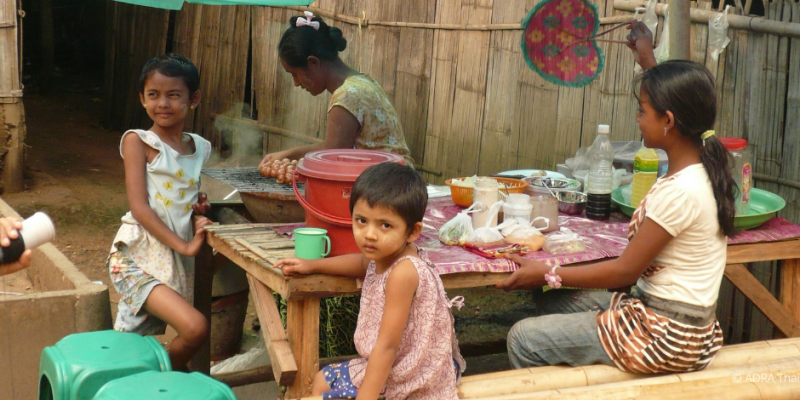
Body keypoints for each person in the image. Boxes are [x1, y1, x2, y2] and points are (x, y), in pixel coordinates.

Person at [496, 35, 738, 373]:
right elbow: (678, 103)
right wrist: (648, 62)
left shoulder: (681, 191)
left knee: (523, 338)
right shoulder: (704, 168)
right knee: (550, 299)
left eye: (642, 111)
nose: (638, 119)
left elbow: (625, 271)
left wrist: (548, 271)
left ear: (668, 121)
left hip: (667, 336)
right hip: (673, 318)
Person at [275, 162, 464, 399]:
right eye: (361, 221)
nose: (370, 234)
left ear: (413, 232)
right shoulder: (386, 254)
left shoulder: (403, 273)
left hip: (411, 374)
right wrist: (312, 265)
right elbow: (362, 264)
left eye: (385, 225)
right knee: (323, 379)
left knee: (322, 389)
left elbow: (387, 348)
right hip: (395, 361)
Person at [107, 53, 213, 371]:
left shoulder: (201, 148)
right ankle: (161, 379)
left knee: (132, 345)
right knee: (194, 328)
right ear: (142, 99)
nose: (162, 103)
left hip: (171, 263)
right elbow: (140, 207)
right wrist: (185, 245)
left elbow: (188, 196)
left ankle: (142, 382)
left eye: (173, 95)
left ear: (193, 99)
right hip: (136, 258)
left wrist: (199, 208)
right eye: (153, 95)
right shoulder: (138, 142)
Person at [259, 11, 415, 168]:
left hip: (387, 187)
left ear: (313, 62)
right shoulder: (362, 81)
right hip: (399, 180)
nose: (296, 83)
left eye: (295, 74)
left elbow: (331, 158)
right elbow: (333, 146)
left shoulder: (347, 96)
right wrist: (290, 154)